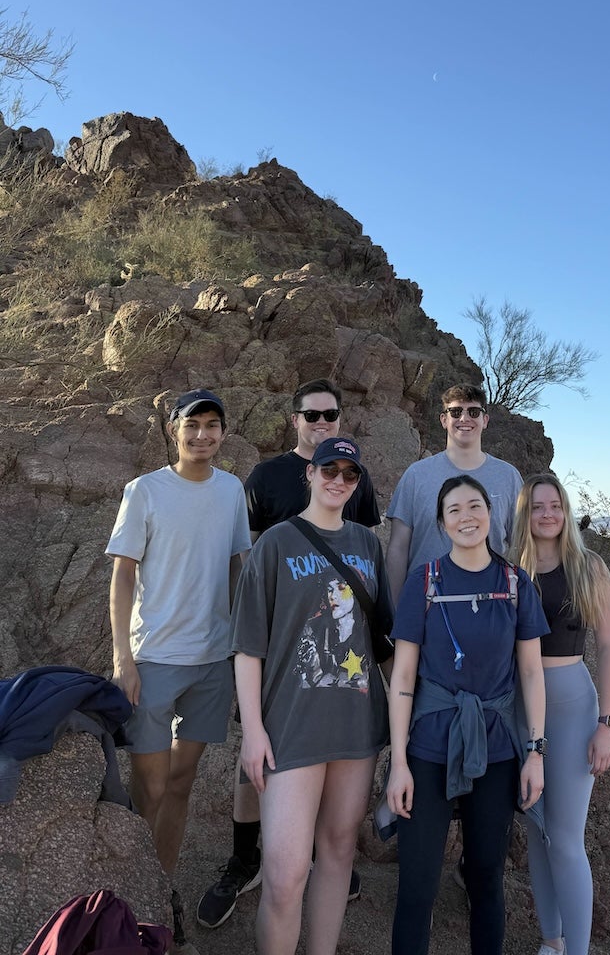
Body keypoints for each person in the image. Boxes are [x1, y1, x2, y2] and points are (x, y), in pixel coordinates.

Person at [197, 378, 379, 928]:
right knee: (256, 766)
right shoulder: (267, 479)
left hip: (342, 690)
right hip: (278, 653)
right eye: (312, 415)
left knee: (329, 834)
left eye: (330, 416)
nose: (321, 424)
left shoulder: (357, 501)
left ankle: (320, 864)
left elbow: (365, 584)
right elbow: (244, 555)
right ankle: (245, 858)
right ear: (295, 419)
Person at [231, 436, 391, 955]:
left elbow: (383, 640)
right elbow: (248, 647)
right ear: (311, 473)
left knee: (339, 851)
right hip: (290, 727)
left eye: (349, 474)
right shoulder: (275, 544)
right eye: (330, 470)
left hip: (355, 725)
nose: (338, 480)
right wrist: (252, 732)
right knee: (284, 873)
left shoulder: (368, 546)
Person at [106, 388, 251, 945]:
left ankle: (159, 892)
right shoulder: (145, 491)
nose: (202, 436)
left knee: (182, 780)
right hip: (155, 658)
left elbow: (239, 568)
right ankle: (133, 894)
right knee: (150, 782)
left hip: (213, 661)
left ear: (222, 432)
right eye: (192, 426)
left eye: (213, 425)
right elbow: (122, 574)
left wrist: (244, 649)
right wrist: (124, 657)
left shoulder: (232, 490)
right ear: (174, 431)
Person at [387, 475, 548, 955]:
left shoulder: (516, 584)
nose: (466, 517)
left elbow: (532, 675)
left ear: (491, 514)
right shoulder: (426, 581)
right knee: (417, 884)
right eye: (454, 509)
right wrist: (398, 763)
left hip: (497, 750)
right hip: (428, 747)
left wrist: (535, 753)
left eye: (475, 506)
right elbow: (403, 677)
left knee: (486, 880)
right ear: (441, 522)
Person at [510, 474, 610, 955]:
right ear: (525, 515)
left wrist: (608, 725)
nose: (548, 514)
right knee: (537, 831)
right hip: (520, 704)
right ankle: (551, 943)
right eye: (538, 507)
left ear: (566, 510)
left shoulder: (588, 567)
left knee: (565, 836)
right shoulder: (511, 567)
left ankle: (577, 951)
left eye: (555, 505)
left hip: (574, 705)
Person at [386, 383, 522, 602]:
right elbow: (398, 548)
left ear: (485, 420)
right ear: (443, 420)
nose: (464, 418)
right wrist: (393, 610)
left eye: (474, 412)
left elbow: (521, 546)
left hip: (489, 606)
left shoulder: (509, 477)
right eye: (456, 412)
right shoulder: (416, 475)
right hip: (425, 607)